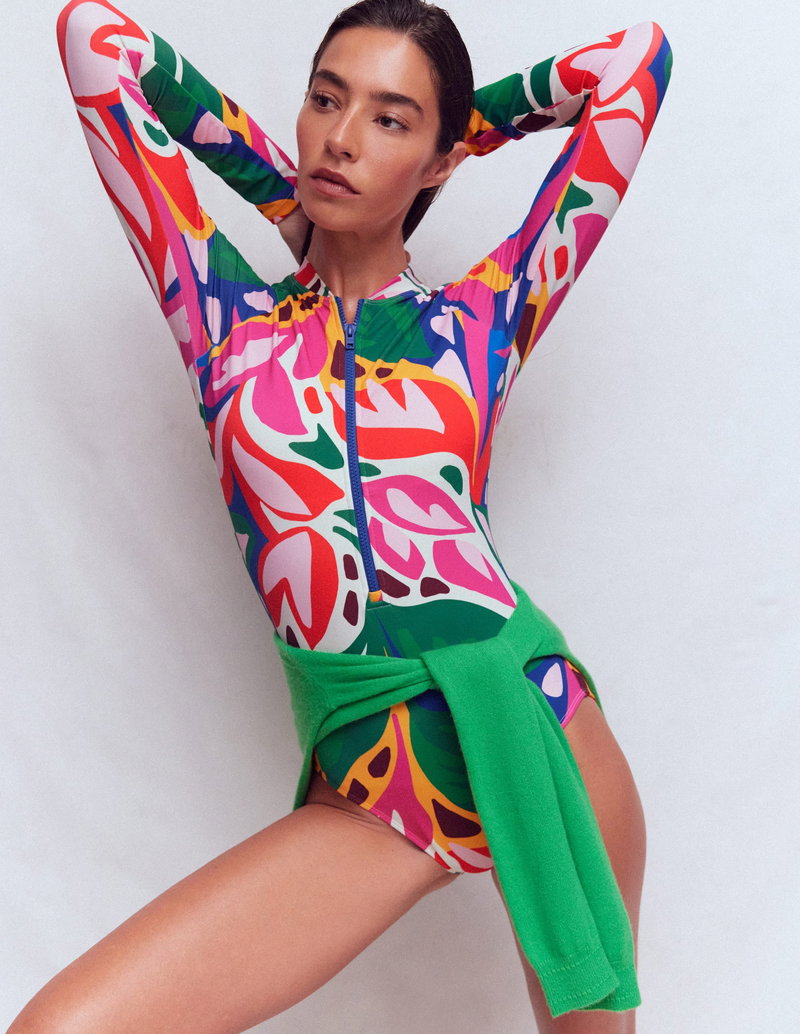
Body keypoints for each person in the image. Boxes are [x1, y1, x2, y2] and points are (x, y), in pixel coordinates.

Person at [9, 0, 671, 1030]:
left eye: (390, 119)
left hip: (543, 727)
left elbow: (634, 63)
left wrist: (457, 135)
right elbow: (98, 45)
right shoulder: (223, 321)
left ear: (436, 156)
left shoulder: (482, 321)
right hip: (380, 781)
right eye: (327, 100)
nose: (344, 137)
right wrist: (286, 196)